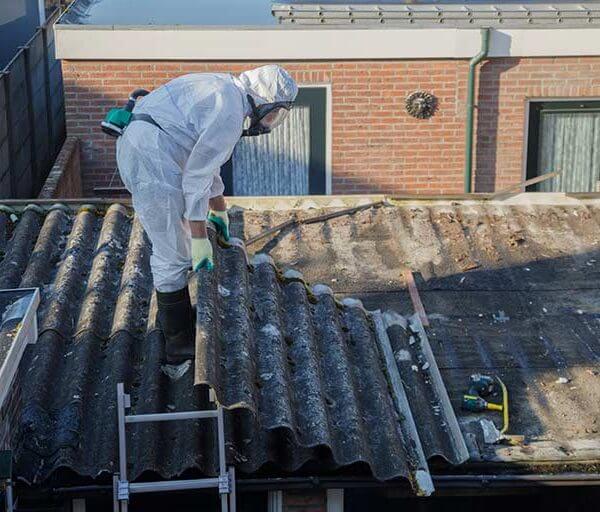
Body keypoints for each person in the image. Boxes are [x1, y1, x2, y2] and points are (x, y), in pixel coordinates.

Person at [115, 65, 298, 363]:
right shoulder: (230, 113)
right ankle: (178, 343)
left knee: (178, 245)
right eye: (274, 112)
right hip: (151, 159)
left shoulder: (226, 90)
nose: (271, 121)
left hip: (151, 147)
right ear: (263, 99)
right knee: (174, 252)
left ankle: (179, 322)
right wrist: (200, 238)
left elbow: (204, 161)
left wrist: (219, 212)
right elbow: (196, 178)